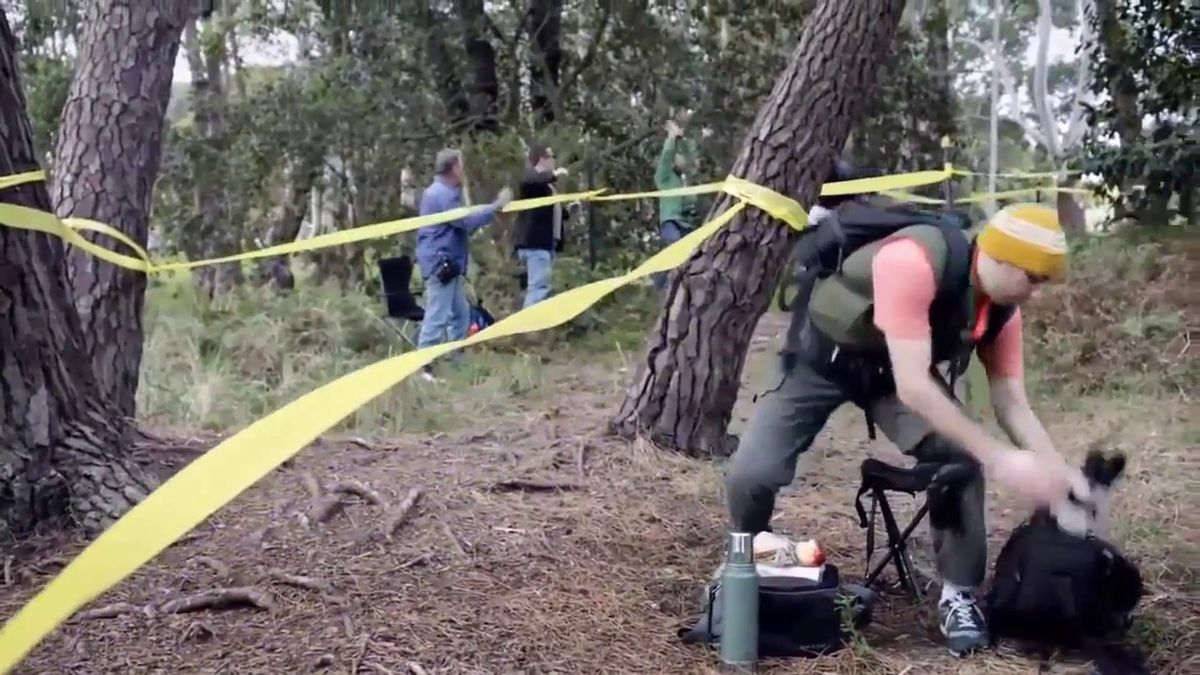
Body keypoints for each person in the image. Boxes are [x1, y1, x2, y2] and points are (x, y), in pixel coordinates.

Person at [723, 200, 1090, 657]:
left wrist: (1058, 475)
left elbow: (1012, 402)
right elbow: (916, 387)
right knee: (752, 474)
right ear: (997, 256)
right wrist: (1002, 458)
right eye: (1032, 277)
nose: (1035, 293)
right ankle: (746, 561)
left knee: (960, 459)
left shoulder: (1001, 311)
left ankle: (958, 594)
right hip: (821, 362)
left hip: (890, 376)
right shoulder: (913, 260)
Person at [415, 148, 512, 381]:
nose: (463, 170)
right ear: (453, 168)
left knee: (461, 314)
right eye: (460, 165)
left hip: (450, 263)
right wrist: (496, 206)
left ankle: (456, 361)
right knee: (437, 315)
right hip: (442, 264)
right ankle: (423, 367)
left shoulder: (440, 192)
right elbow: (465, 222)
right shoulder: (443, 195)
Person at [652, 111, 704, 290]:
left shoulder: (685, 179)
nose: (681, 159)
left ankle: (661, 285)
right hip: (670, 221)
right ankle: (663, 286)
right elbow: (666, 156)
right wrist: (672, 138)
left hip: (686, 224)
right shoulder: (665, 177)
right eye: (678, 155)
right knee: (674, 246)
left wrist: (682, 139)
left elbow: (691, 159)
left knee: (691, 254)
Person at [514, 143, 571, 308]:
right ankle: (528, 323)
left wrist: (568, 210)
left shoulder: (547, 185)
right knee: (538, 290)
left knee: (540, 289)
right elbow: (528, 182)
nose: (554, 160)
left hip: (546, 245)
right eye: (551, 157)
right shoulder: (533, 179)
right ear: (542, 159)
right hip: (535, 244)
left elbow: (552, 211)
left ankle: (533, 321)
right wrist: (554, 174)